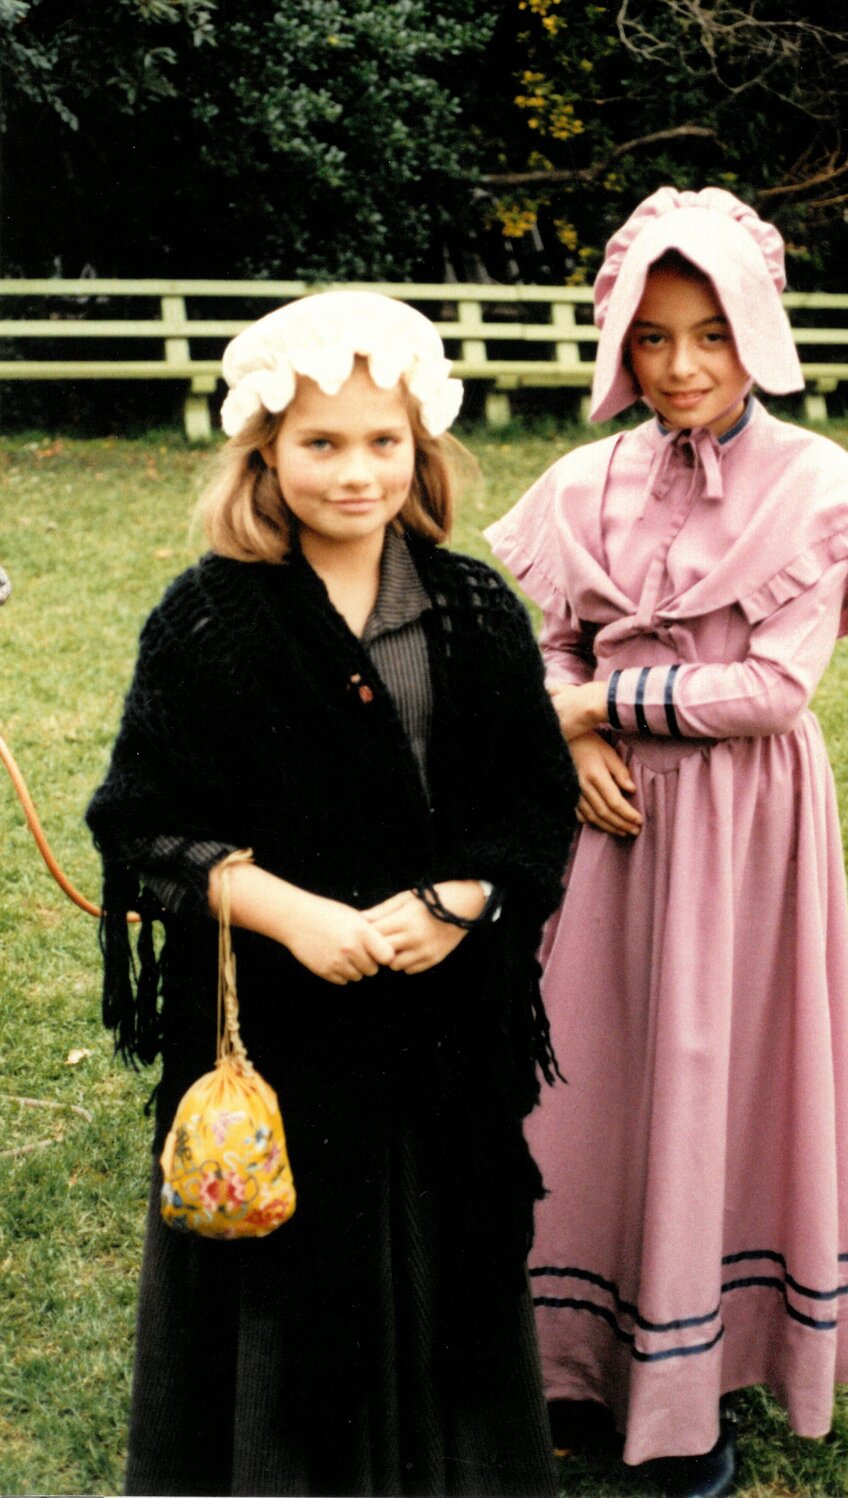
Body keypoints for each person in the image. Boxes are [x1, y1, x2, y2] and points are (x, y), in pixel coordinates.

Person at [86, 291, 578, 1498]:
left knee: (443, 1256)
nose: (355, 470)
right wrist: (287, 912)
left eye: (382, 441)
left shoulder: (470, 610)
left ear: (424, 448)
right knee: (293, 1289)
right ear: (262, 449)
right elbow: (142, 826)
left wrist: (462, 895)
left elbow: (533, 801)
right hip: (282, 1048)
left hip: (441, 1037)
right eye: (320, 442)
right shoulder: (206, 619)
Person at [485, 187, 848, 1498]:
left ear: (758, 338)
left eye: (711, 337)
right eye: (656, 337)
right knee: (588, 1076)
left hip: (744, 833)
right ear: (621, 339)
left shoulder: (815, 487)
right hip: (605, 826)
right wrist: (569, 733)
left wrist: (594, 700)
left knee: (716, 1078)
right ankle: (573, 1361)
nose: (681, 367)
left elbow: (771, 690)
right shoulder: (588, 479)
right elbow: (552, 636)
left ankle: (691, 1389)